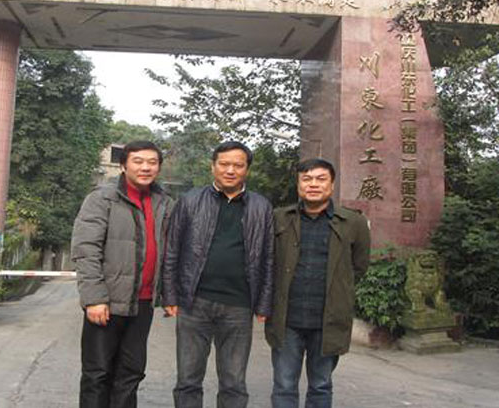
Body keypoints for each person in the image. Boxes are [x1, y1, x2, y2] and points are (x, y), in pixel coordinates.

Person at [162, 141, 274, 408]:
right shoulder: (190, 201)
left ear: (247, 169)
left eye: (238, 165)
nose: (230, 170)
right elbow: (172, 250)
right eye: (224, 164)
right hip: (194, 302)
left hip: (239, 305)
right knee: (188, 379)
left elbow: (268, 257)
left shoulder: (261, 207)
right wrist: (170, 295)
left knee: (234, 383)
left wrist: (264, 302)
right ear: (213, 166)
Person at [71, 140, 174, 408]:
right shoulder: (102, 199)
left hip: (143, 303)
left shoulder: (165, 203)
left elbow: (172, 250)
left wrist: (170, 294)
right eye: (138, 161)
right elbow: (86, 249)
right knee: (98, 373)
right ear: (123, 165)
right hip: (107, 302)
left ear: (159, 167)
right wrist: (94, 298)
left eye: (152, 162)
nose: (145, 167)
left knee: (131, 373)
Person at [265, 158, 370, 408]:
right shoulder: (279, 218)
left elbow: (359, 266)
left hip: (328, 321)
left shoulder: (352, 222)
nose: (313, 184)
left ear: (332, 185)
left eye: (321, 179)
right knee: (284, 385)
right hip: (287, 319)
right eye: (307, 179)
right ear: (298, 185)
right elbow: (267, 262)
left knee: (321, 385)